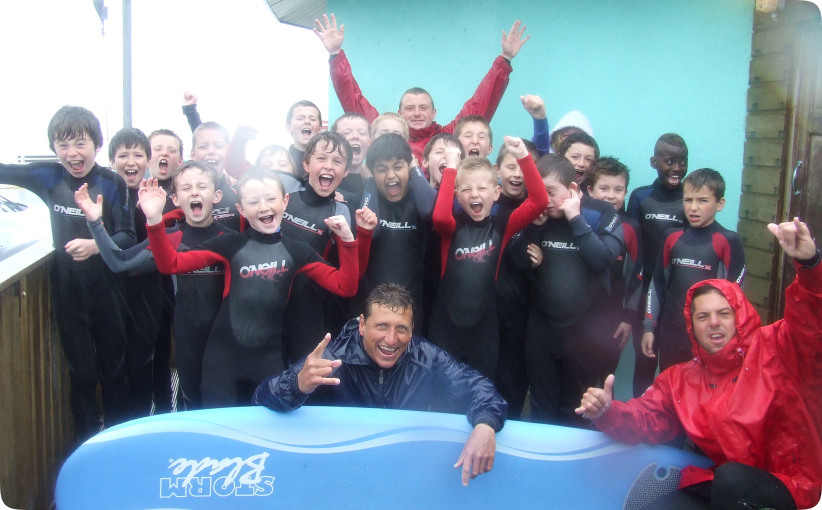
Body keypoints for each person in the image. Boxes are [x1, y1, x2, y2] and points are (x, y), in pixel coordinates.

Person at [576, 218, 821, 510]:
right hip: (728, 490)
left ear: (740, 314)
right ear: (691, 326)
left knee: (731, 479)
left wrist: (809, 265)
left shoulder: (778, 348)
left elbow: (812, 322)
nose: (714, 323)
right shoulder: (681, 379)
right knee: (655, 505)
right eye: (703, 317)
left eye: (724, 313)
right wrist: (606, 412)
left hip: (793, 488)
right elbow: (645, 419)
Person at [141, 167, 376, 407]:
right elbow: (171, 263)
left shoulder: (298, 252)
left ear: (285, 201)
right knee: (221, 430)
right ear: (241, 209)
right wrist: (154, 219)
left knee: (266, 428)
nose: (263, 207)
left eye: (270, 199)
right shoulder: (230, 244)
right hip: (222, 359)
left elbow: (345, 287)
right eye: (254, 201)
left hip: (268, 358)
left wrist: (348, 240)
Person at [253, 283, 507, 487]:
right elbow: (261, 399)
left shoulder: (425, 356)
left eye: (401, 329)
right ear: (362, 325)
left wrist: (486, 423)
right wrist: (297, 385)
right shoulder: (332, 358)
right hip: (343, 472)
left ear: (412, 330)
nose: (391, 339)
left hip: (402, 473)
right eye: (382, 326)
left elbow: (477, 387)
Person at [0, 105, 135, 441]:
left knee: (114, 372)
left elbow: (128, 236)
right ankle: (86, 445)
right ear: (54, 149)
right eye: (63, 145)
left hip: (110, 294)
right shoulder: (47, 176)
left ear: (96, 145)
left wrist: (94, 246)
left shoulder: (111, 182)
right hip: (68, 294)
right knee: (83, 375)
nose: (73, 153)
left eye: (80, 144)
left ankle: (117, 443)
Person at [75, 161, 234, 410]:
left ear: (216, 196)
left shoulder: (234, 240)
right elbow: (119, 261)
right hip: (188, 337)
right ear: (175, 198)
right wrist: (96, 223)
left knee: (225, 402)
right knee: (191, 399)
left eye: (202, 186)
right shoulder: (169, 239)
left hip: (227, 339)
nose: (194, 192)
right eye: (186, 188)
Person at [313, 13, 529, 161]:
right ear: (399, 113)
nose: (417, 113)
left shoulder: (449, 137)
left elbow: (481, 103)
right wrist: (335, 55)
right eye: (410, 108)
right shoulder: (386, 133)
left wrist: (505, 59)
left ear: (434, 112)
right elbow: (353, 99)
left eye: (423, 108)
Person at [508, 154, 622, 428]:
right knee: (542, 407)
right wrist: (530, 232)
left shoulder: (599, 213)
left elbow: (603, 260)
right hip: (542, 330)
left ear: (572, 189)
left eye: (550, 192)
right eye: (537, 192)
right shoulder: (535, 217)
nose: (543, 199)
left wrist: (575, 217)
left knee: (576, 409)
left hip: (584, 331)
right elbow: (512, 262)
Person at [428, 136, 548, 379]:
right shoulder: (452, 228)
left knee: (480, 387)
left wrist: (524, 157)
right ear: (457, 196)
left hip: (484, 329)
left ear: (496, 193)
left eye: (482, 188)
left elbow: (539, 201)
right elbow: (440, 217)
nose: (474, 194)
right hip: (445, 326)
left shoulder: (502, 225)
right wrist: (451, 167)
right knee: (441, 389)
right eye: (466, 189)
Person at [642, 169, 745, 371]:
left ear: (720, 204)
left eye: (703, 201)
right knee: (671, 394)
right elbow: (657, 285)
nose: (693, 208)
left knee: (704, 398)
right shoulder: (672, 238)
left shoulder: (727, 240)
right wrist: (648, 327)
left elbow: (735, 296)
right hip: (672, 333)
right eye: (688, 200)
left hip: (709, 337)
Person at [281, 132, 363, 362]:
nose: (329, 166)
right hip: (269, 306)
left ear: (345, 172)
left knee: (304, 382)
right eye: (322, 159)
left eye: (337, 162)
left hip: (309, 312)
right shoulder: (284, 197)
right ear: (306, 164)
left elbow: (350, 279)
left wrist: (354, 238)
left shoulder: (342, 212)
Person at [107, 127, 171, 416]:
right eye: (123, 155)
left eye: (138, 155)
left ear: (148, 160)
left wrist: (119, 257)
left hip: (149, 291)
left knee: (144, 361)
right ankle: (118, 424)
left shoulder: (158, 196)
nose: (130, 161)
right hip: (111, 292)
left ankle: (144, 420)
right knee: (114, 364)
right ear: (112, 162)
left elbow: (161, 241)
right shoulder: (104, 197)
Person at [353, 134, 437, 333]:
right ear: (372, 174)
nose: (391, 175)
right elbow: (371, 233)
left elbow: (430, 211)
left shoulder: (419, 202)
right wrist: (370, 182)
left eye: (398, 167)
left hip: (410, 310)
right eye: (382, 170)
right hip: (369, 309)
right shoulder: (363, 199)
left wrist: (415, 170)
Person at [627, 132, 689, 397]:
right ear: (654, 162)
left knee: (678, 369)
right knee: (644, 362)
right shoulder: (641, 197)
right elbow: (630, 243)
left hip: (678, 298)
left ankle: (673, 431)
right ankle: (640, 422)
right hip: (645, 295)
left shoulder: (690, 199)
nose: (677, 168)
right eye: (669, 161)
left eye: (682, 162)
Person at [493, 139, 541, 419]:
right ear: (497, 169)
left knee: (513, 387)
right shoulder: (487, 204)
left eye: (524, 167)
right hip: (489, 314)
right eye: (511, 167)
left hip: (522, 318)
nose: (517, 174)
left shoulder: (538, 211)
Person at [587, 156, 642, 384]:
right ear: (590, 190)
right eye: (604, 188)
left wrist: (628, 318)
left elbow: (637, 276)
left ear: (626, 192)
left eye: (618, 189)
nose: (611, 195)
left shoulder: (630, 227)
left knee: (604, 379)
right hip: (579, 318)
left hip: (613, 320)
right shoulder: (581, 220)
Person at [190, 121, 242, 231]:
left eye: (218, 146)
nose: (211, 151)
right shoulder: (181, 194)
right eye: (203, 147)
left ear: (229, 153)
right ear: (193, 155)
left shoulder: (240, 192)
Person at [331, 112, 373, 193]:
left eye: (362, 133)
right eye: (347, 133)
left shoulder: (375, 182)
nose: (355, 136)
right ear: (333, 140)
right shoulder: (327, 179)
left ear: (370, 142)